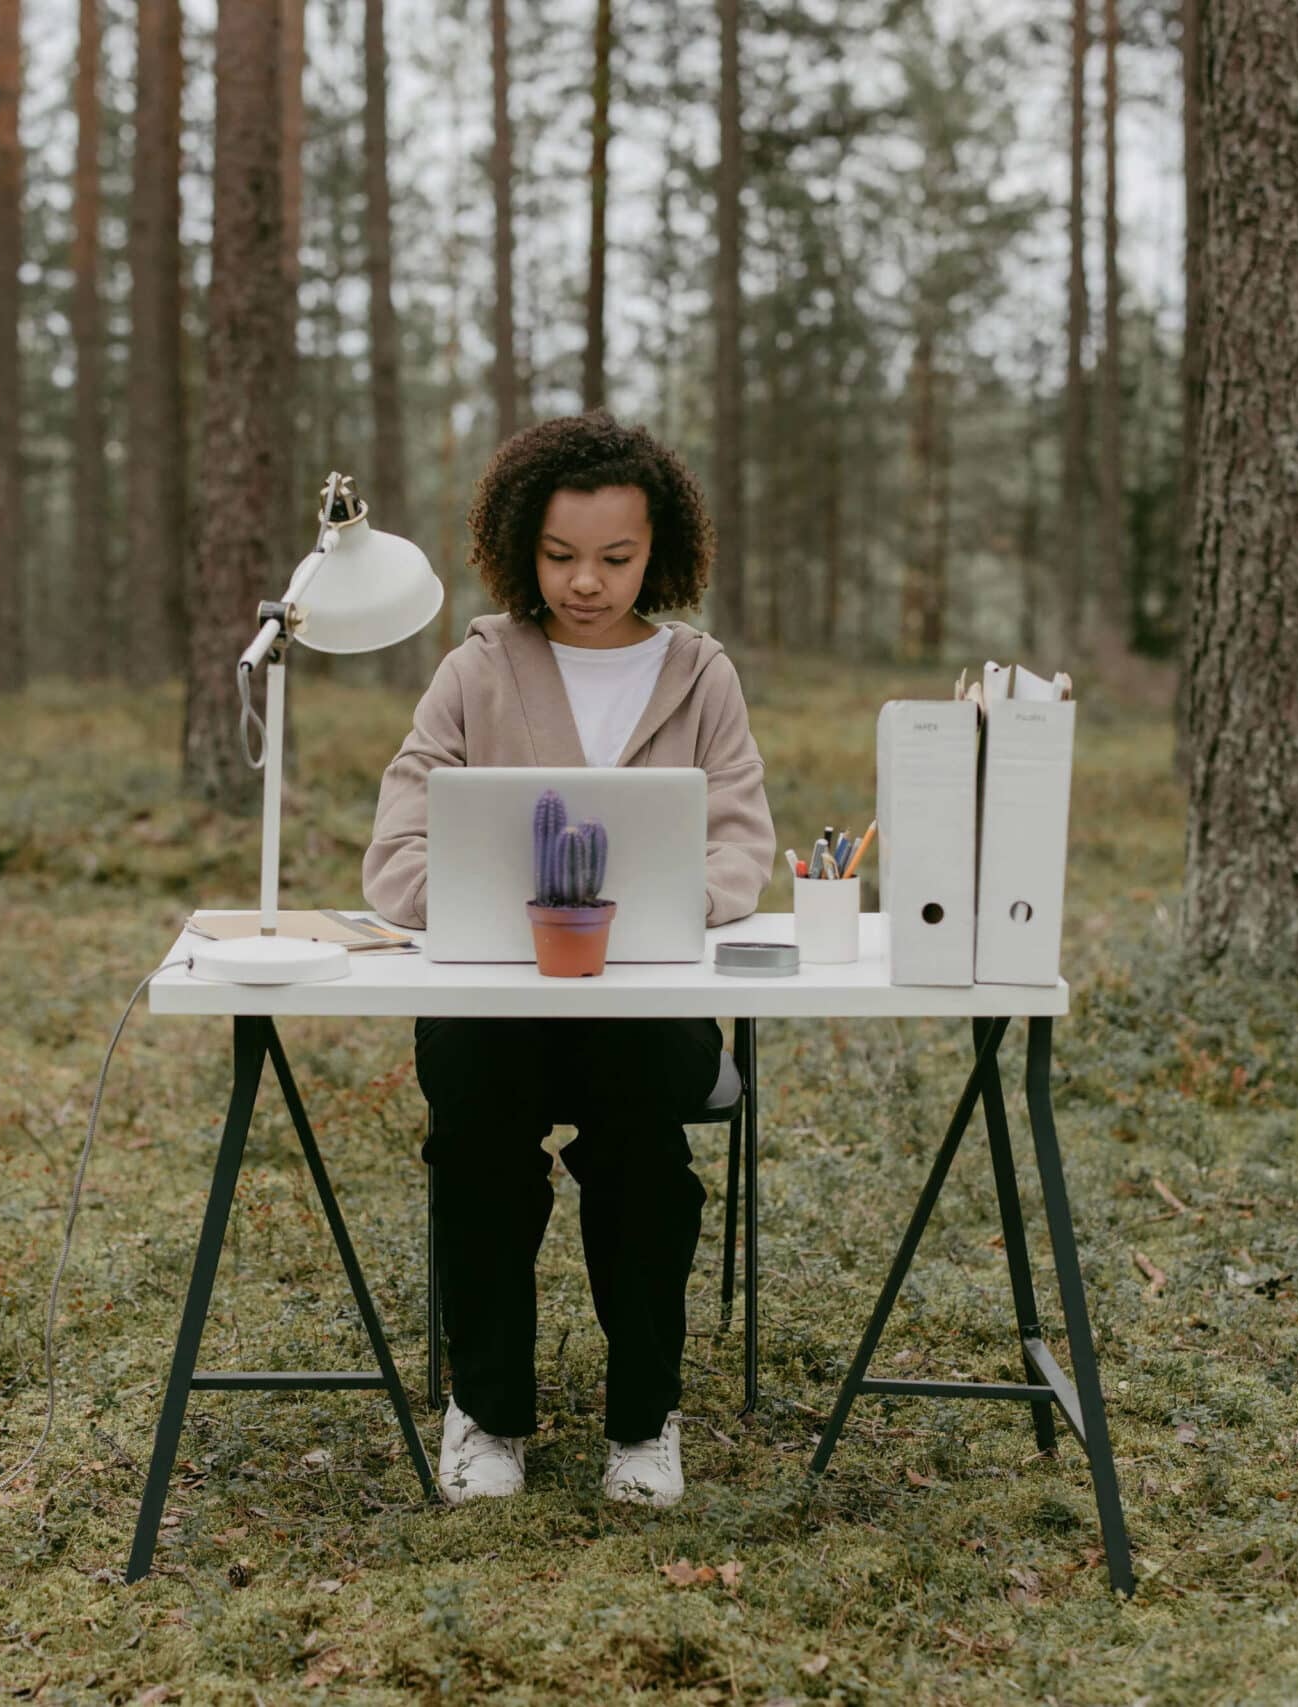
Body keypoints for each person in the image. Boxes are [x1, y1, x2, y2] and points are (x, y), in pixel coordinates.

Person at [362, 412, 776, 1507]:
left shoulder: (701, 677)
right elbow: (395, 851)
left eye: (614, 558)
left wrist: (670, 902)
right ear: (516, 544)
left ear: (662, 552)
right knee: (480, 1154)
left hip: (642, 1004)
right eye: (557, 557)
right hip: (497, 1001)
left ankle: (644, 1423)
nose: (585, 582)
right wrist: (492, 899)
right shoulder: (475, 669)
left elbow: (741, 845)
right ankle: (486, 1413)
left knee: (645, 1165)